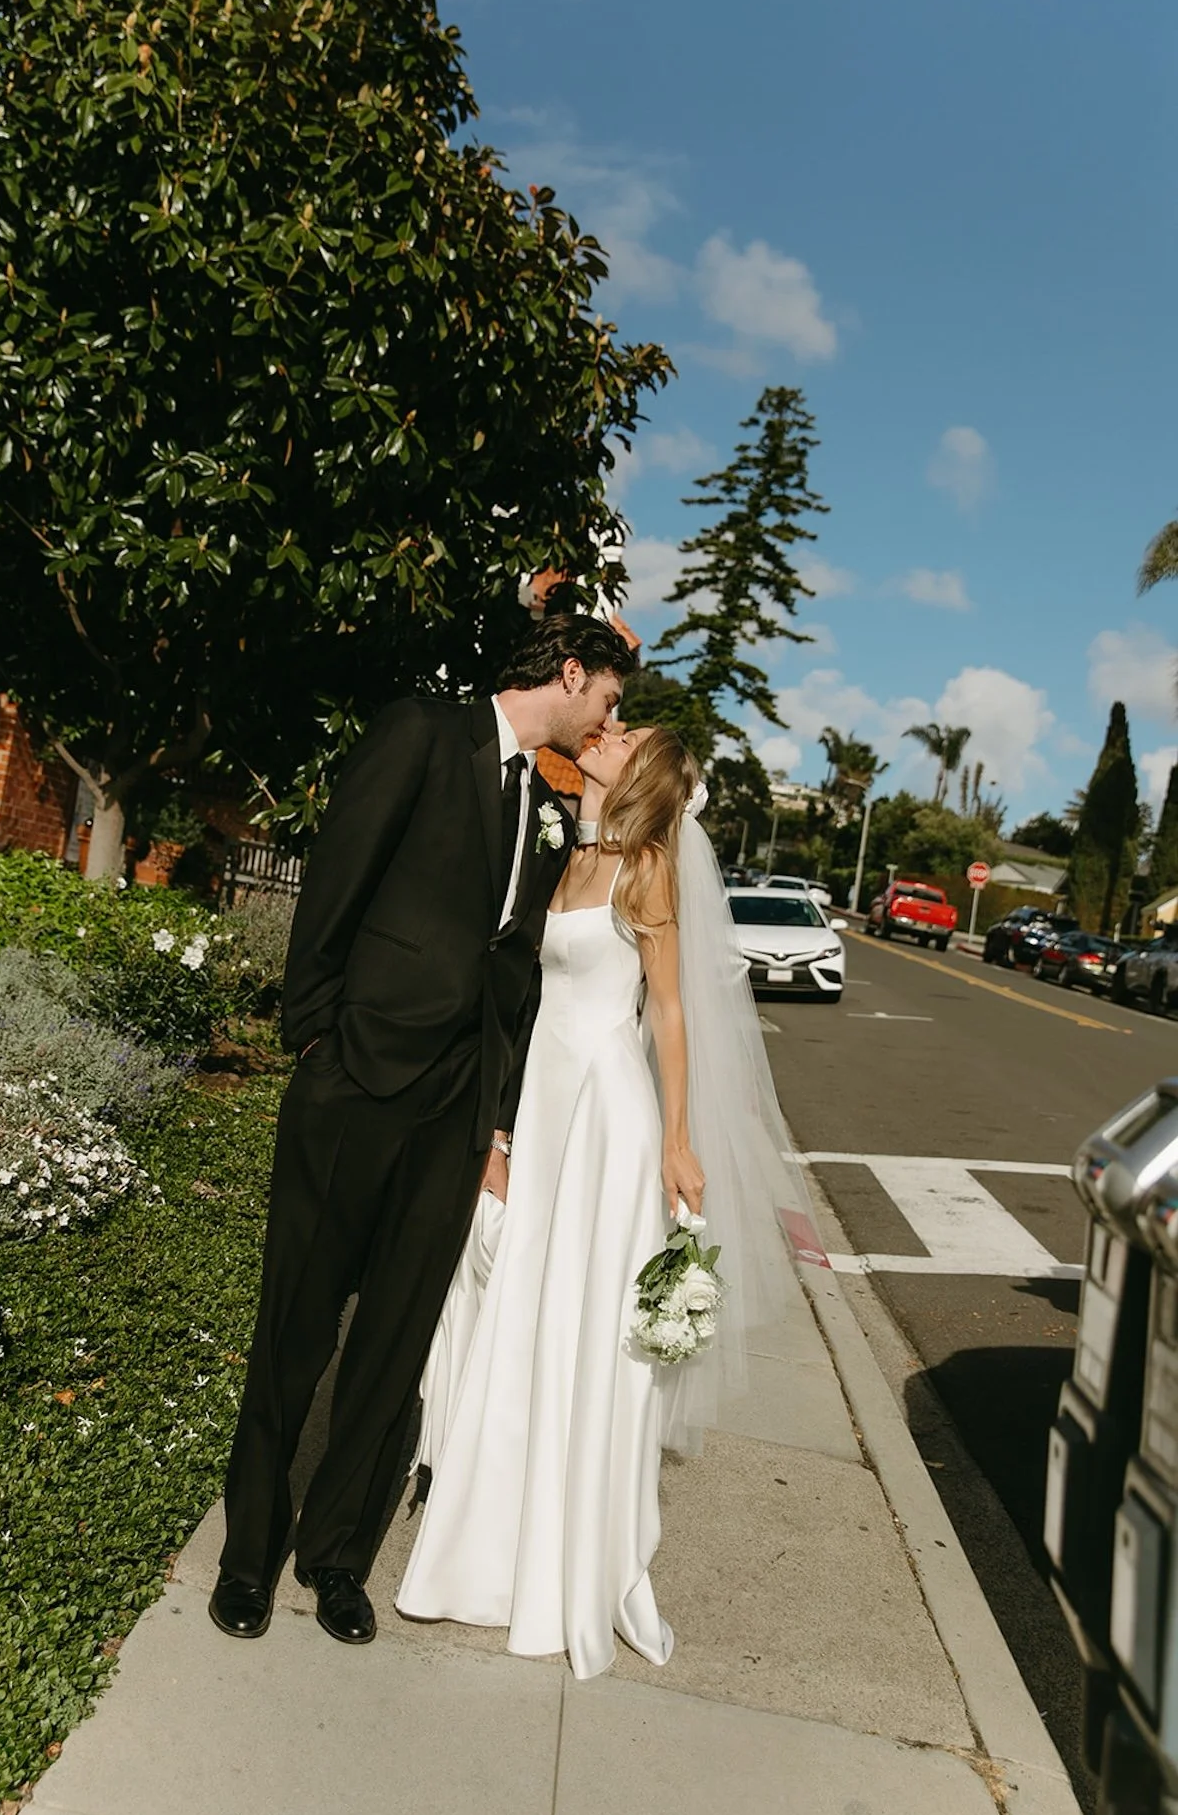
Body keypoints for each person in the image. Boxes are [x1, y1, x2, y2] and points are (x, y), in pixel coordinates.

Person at [210, 614, 639, 1647]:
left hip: (456, 1111)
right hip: (356, 1084)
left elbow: (518, 972)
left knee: (395, 1343)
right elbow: (336, 885)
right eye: (609, 699)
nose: (610, 719)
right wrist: (317, 1042)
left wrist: (495, 1119)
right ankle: (247, 1557)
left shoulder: (548, 798)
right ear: (569, 674)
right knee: (296, 1329)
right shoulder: (421, 733)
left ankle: (336, 1559)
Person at [396, 723, 806, 1677]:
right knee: (525, 1305)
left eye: (626, 735)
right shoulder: (572, 853)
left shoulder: (648, 869)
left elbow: (667, 1011)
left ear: (644, 774)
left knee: (583, 1321)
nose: (608, 733)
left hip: (609, 1113)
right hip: (544, 1100)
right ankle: (492, 1538)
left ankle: (569, 1553)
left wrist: (676, 1138)